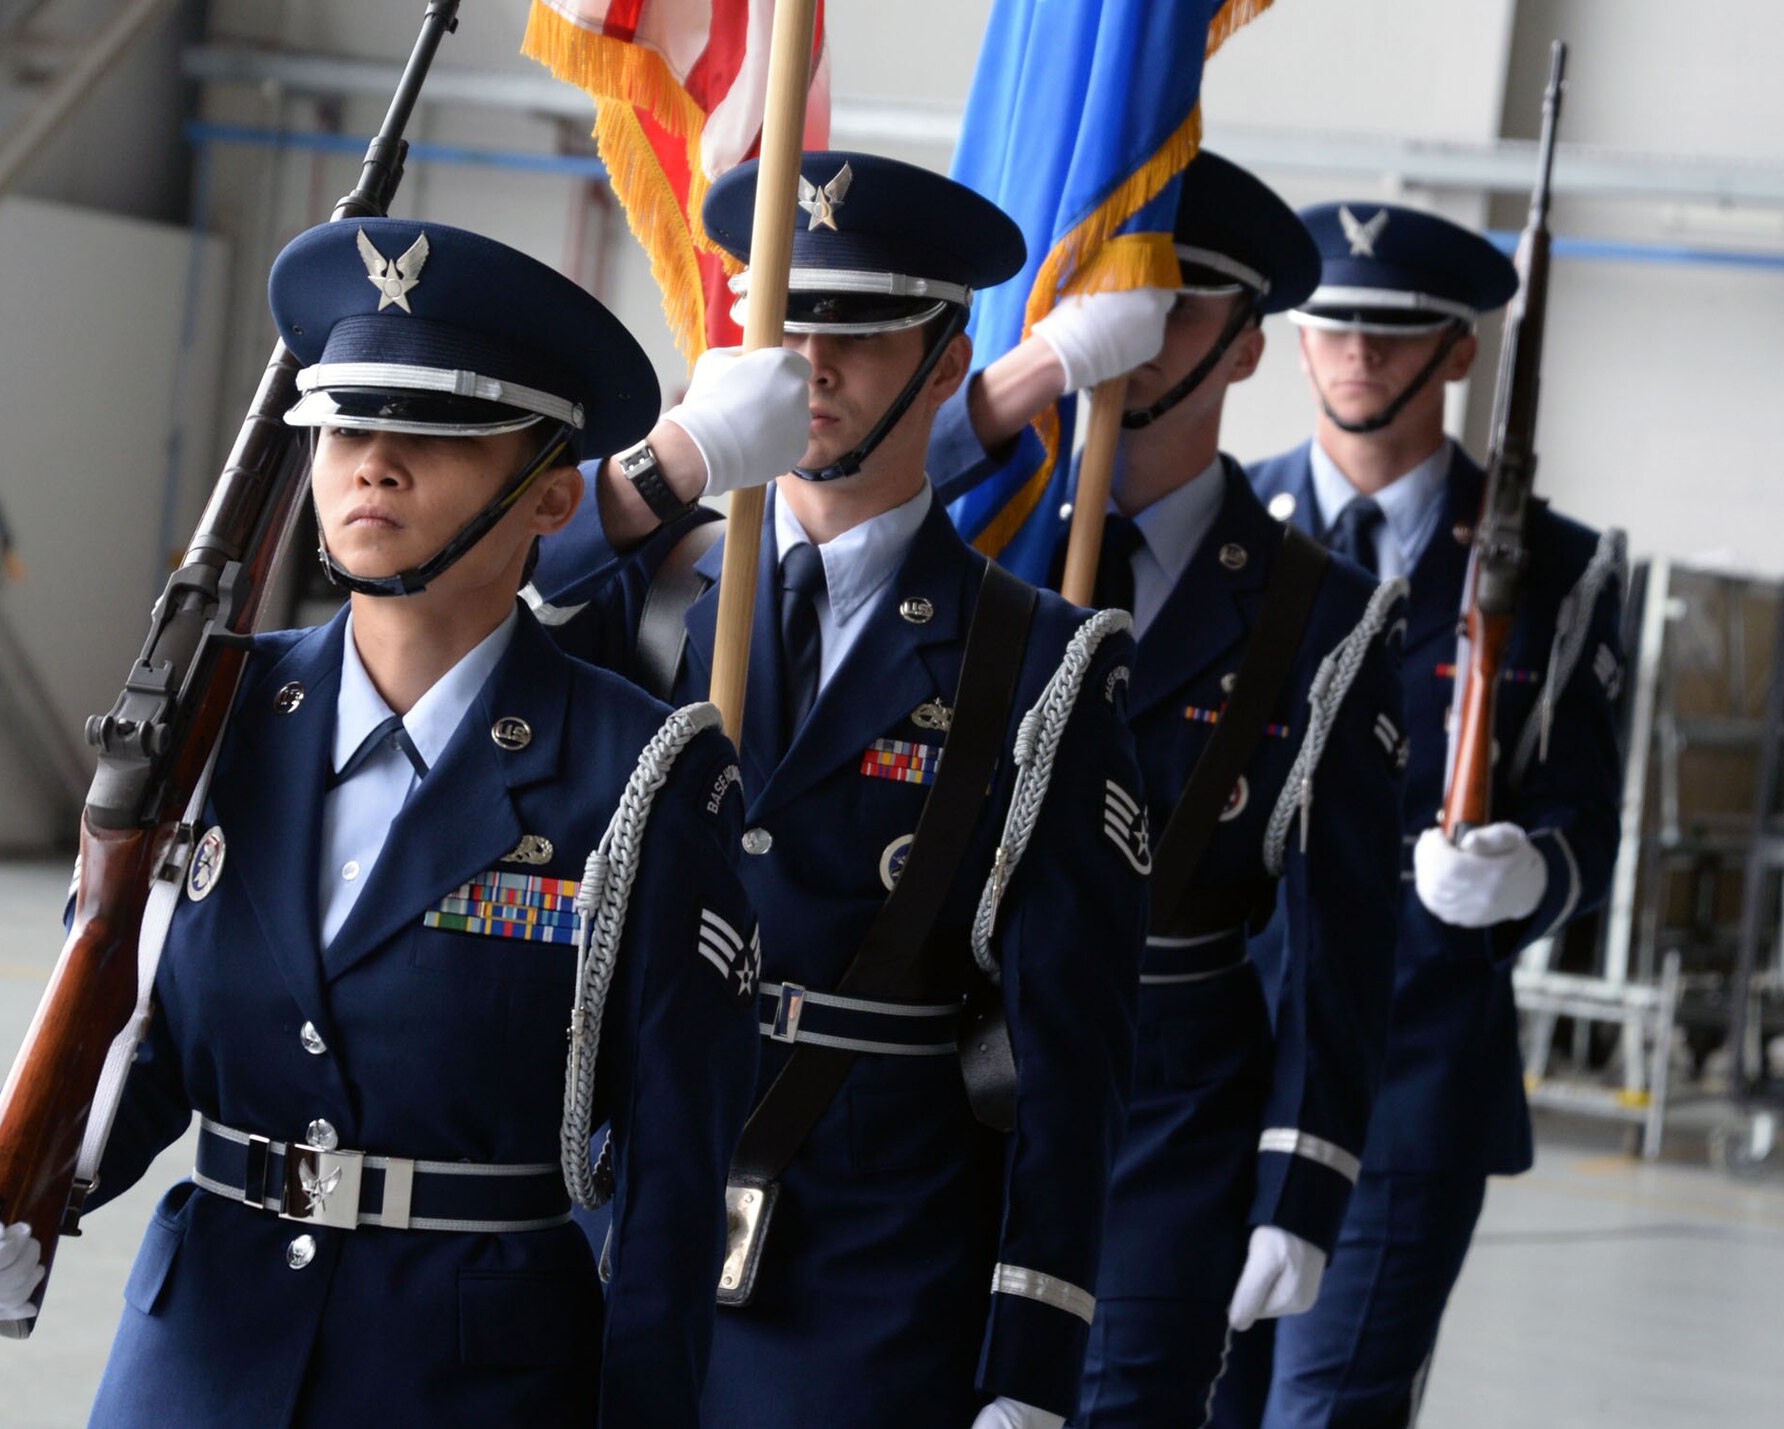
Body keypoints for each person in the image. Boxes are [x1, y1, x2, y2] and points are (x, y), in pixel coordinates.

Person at [0, 218, 761, 1428]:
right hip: (197, 1363)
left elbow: (668, 1192)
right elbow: (136, 1048)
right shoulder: (215, 719)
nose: (374, 465)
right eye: (345, 426)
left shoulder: (641, 772)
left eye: (438, 434)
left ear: (550, 494)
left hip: (474, 1379)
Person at [538, 151, 1149, 1429]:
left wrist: (1031, 1366)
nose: (810, 363)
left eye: (858, 335)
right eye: (784, 324)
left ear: (943, 359)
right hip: (614, 1218)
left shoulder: (1035, 658)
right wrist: (671, 463)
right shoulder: (657, 594)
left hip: (869, 1264)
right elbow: (487, 580)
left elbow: (1070, 1048)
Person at [927, 152, 1407, 1427]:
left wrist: (1300, 1184)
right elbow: (825, 500)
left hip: (1166, 1114)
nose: (1137, 334)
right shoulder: (986, 539)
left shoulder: (1320, 616)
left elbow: (1338, 942)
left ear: (1245, 350)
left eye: (1176, 304)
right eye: (1114, 297)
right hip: (945, 1095)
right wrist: (1024, 379)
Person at [1236, 201, 1626, 1426]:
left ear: (1458, 353)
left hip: (1408, 1086)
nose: (1358, 356)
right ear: (1294, 344)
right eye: (1334, 329)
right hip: (1211, 1068)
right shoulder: (1225, 531)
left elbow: (1588, 827)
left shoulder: (1554, 572)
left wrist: (1527, 876)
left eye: (1395, 336)